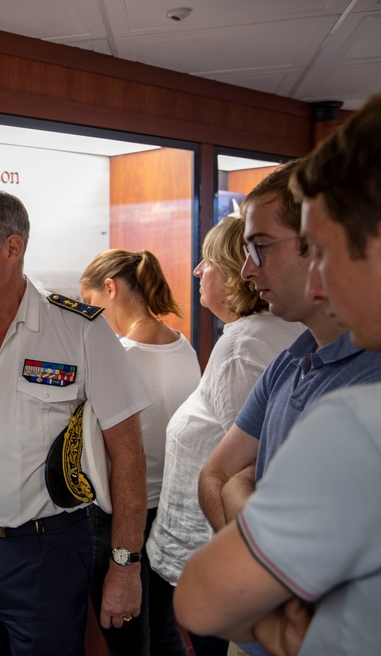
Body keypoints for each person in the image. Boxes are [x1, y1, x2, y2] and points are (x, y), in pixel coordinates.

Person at [0, 189, 154, 655]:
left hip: (48, 551)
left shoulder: (80, 332)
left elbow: (128, 454)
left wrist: (126, 566)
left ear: (12, 248)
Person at [176, 93, 381, 656]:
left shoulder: (358, 414)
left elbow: (203, 598)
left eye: (329, 250)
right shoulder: (293, 354)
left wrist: (253, 542)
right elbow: (215, 476)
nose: (321, 282)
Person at [145, 216, 302, 656]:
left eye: (207, 261)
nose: (197, 271)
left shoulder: (243, 345)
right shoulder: (264, 334)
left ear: (234, 273)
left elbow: (254, 465)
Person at [79, 249, 202, 655]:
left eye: (90, 303)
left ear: (110, 288)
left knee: (126, 638)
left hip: (120, 518)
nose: (90, 315)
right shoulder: (183, 345)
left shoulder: (122, 358)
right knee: (165, 630)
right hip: (168, 512)